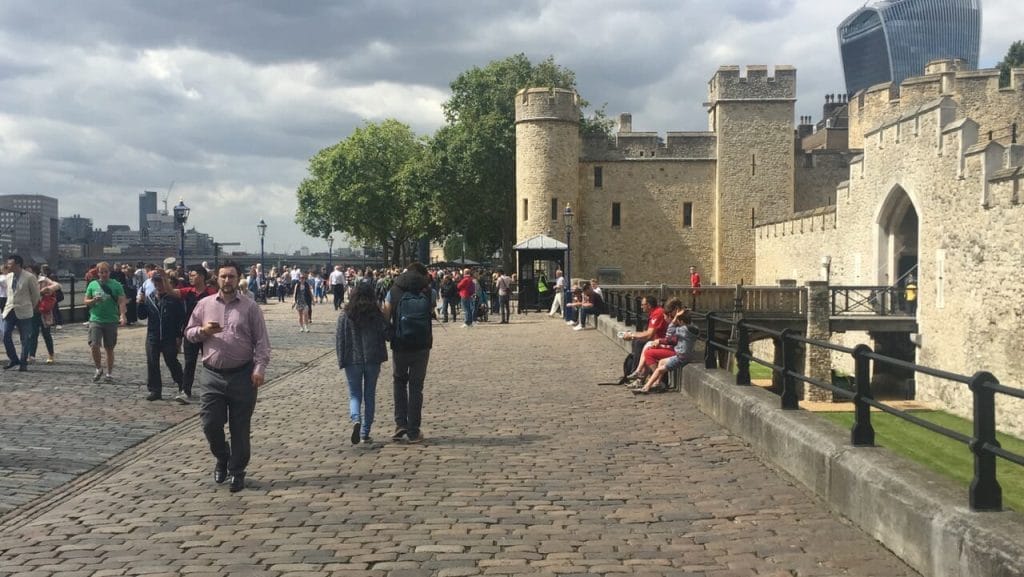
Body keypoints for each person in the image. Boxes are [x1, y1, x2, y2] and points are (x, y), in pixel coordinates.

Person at [185, 261, 271, 493]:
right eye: (223, 276)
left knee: (239, 427)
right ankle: (222, 456)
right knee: (210, 423)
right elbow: (189, 332)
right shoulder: (204, 305)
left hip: (243, 375)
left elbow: (262, 342)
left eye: (231, 276)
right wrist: (204, 331)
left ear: (238, 278)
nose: (227, 280)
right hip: (212, 375)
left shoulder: (250, 307)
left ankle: (237, 471)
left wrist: (259, 368)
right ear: (217, 278)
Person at [383, 261, 434, 444]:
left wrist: (389, 333)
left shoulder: (394, 290)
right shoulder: (427, 290)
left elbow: (386, 315)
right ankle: (414, 430)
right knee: (416, 387)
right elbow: (430, 311)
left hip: (400, 344)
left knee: (399, 382)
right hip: (421, 345)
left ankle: (400, 424)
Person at [336, 280, 388, 445]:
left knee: (355, 394)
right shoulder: (375, 313)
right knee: (370, 395)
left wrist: (341, 358)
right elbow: (386, 333)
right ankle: (365, 432)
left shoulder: (346, 314)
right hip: (373, 358)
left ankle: (356, 418)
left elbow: (339, 338)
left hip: (352, 359)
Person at [137, 272, 186, 401]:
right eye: (156, 282)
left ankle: (182, 383)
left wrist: (179, 336)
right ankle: (155, 390)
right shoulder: (150, 298)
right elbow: (142, 316)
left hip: (169, 336)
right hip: (153, 335)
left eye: (161, 282)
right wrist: (140, 303)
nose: (158, 285)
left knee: (171, 361)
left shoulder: (173, 299)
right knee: (152, 363)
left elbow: (181, 319)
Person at [633, 309, 699, 394]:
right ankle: (657, 383)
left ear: (681, 321)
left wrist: (674, 320)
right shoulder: (693, 329)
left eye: (678, 321)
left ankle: (646, 388)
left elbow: (670, 333)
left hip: (681, 357)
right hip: (684, 354)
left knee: (658, 370)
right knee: (661, 361)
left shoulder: (683, 330)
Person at [179, 265, 218, 403]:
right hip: (191, 332)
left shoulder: (212, 293)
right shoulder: (188, 291)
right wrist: (164, 278)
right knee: (189, 363)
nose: (190, 277)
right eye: (189, 274)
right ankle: (185, 390)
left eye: (193, 274)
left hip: (208, 333)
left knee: (209, 362)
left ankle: (211, 390)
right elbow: (171, 292)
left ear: (201, 276)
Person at [84, 262, 127, 382]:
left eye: (106, 272)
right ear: (98, 273)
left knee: (109, 347)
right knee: (94, 344)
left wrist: (122, 315)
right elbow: (86, 301)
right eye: (101, 272)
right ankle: (98, 368)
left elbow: (121, 301)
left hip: (111, 319)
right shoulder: (93, 284)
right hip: (95, 319)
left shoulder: (116, 285)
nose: (103, 274)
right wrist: (93, 300)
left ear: (109, 272)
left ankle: (109, 373)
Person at [1, 255, 40, 371]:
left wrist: (30, 306)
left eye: (10, 264)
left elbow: (36, 295)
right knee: (6, 335)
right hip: (10, 310)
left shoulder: (29, 277)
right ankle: (13, 359)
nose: (8, 266)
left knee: (25, 338)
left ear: (17, 264)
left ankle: (23, 363)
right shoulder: (8, 277)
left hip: (24, 311)